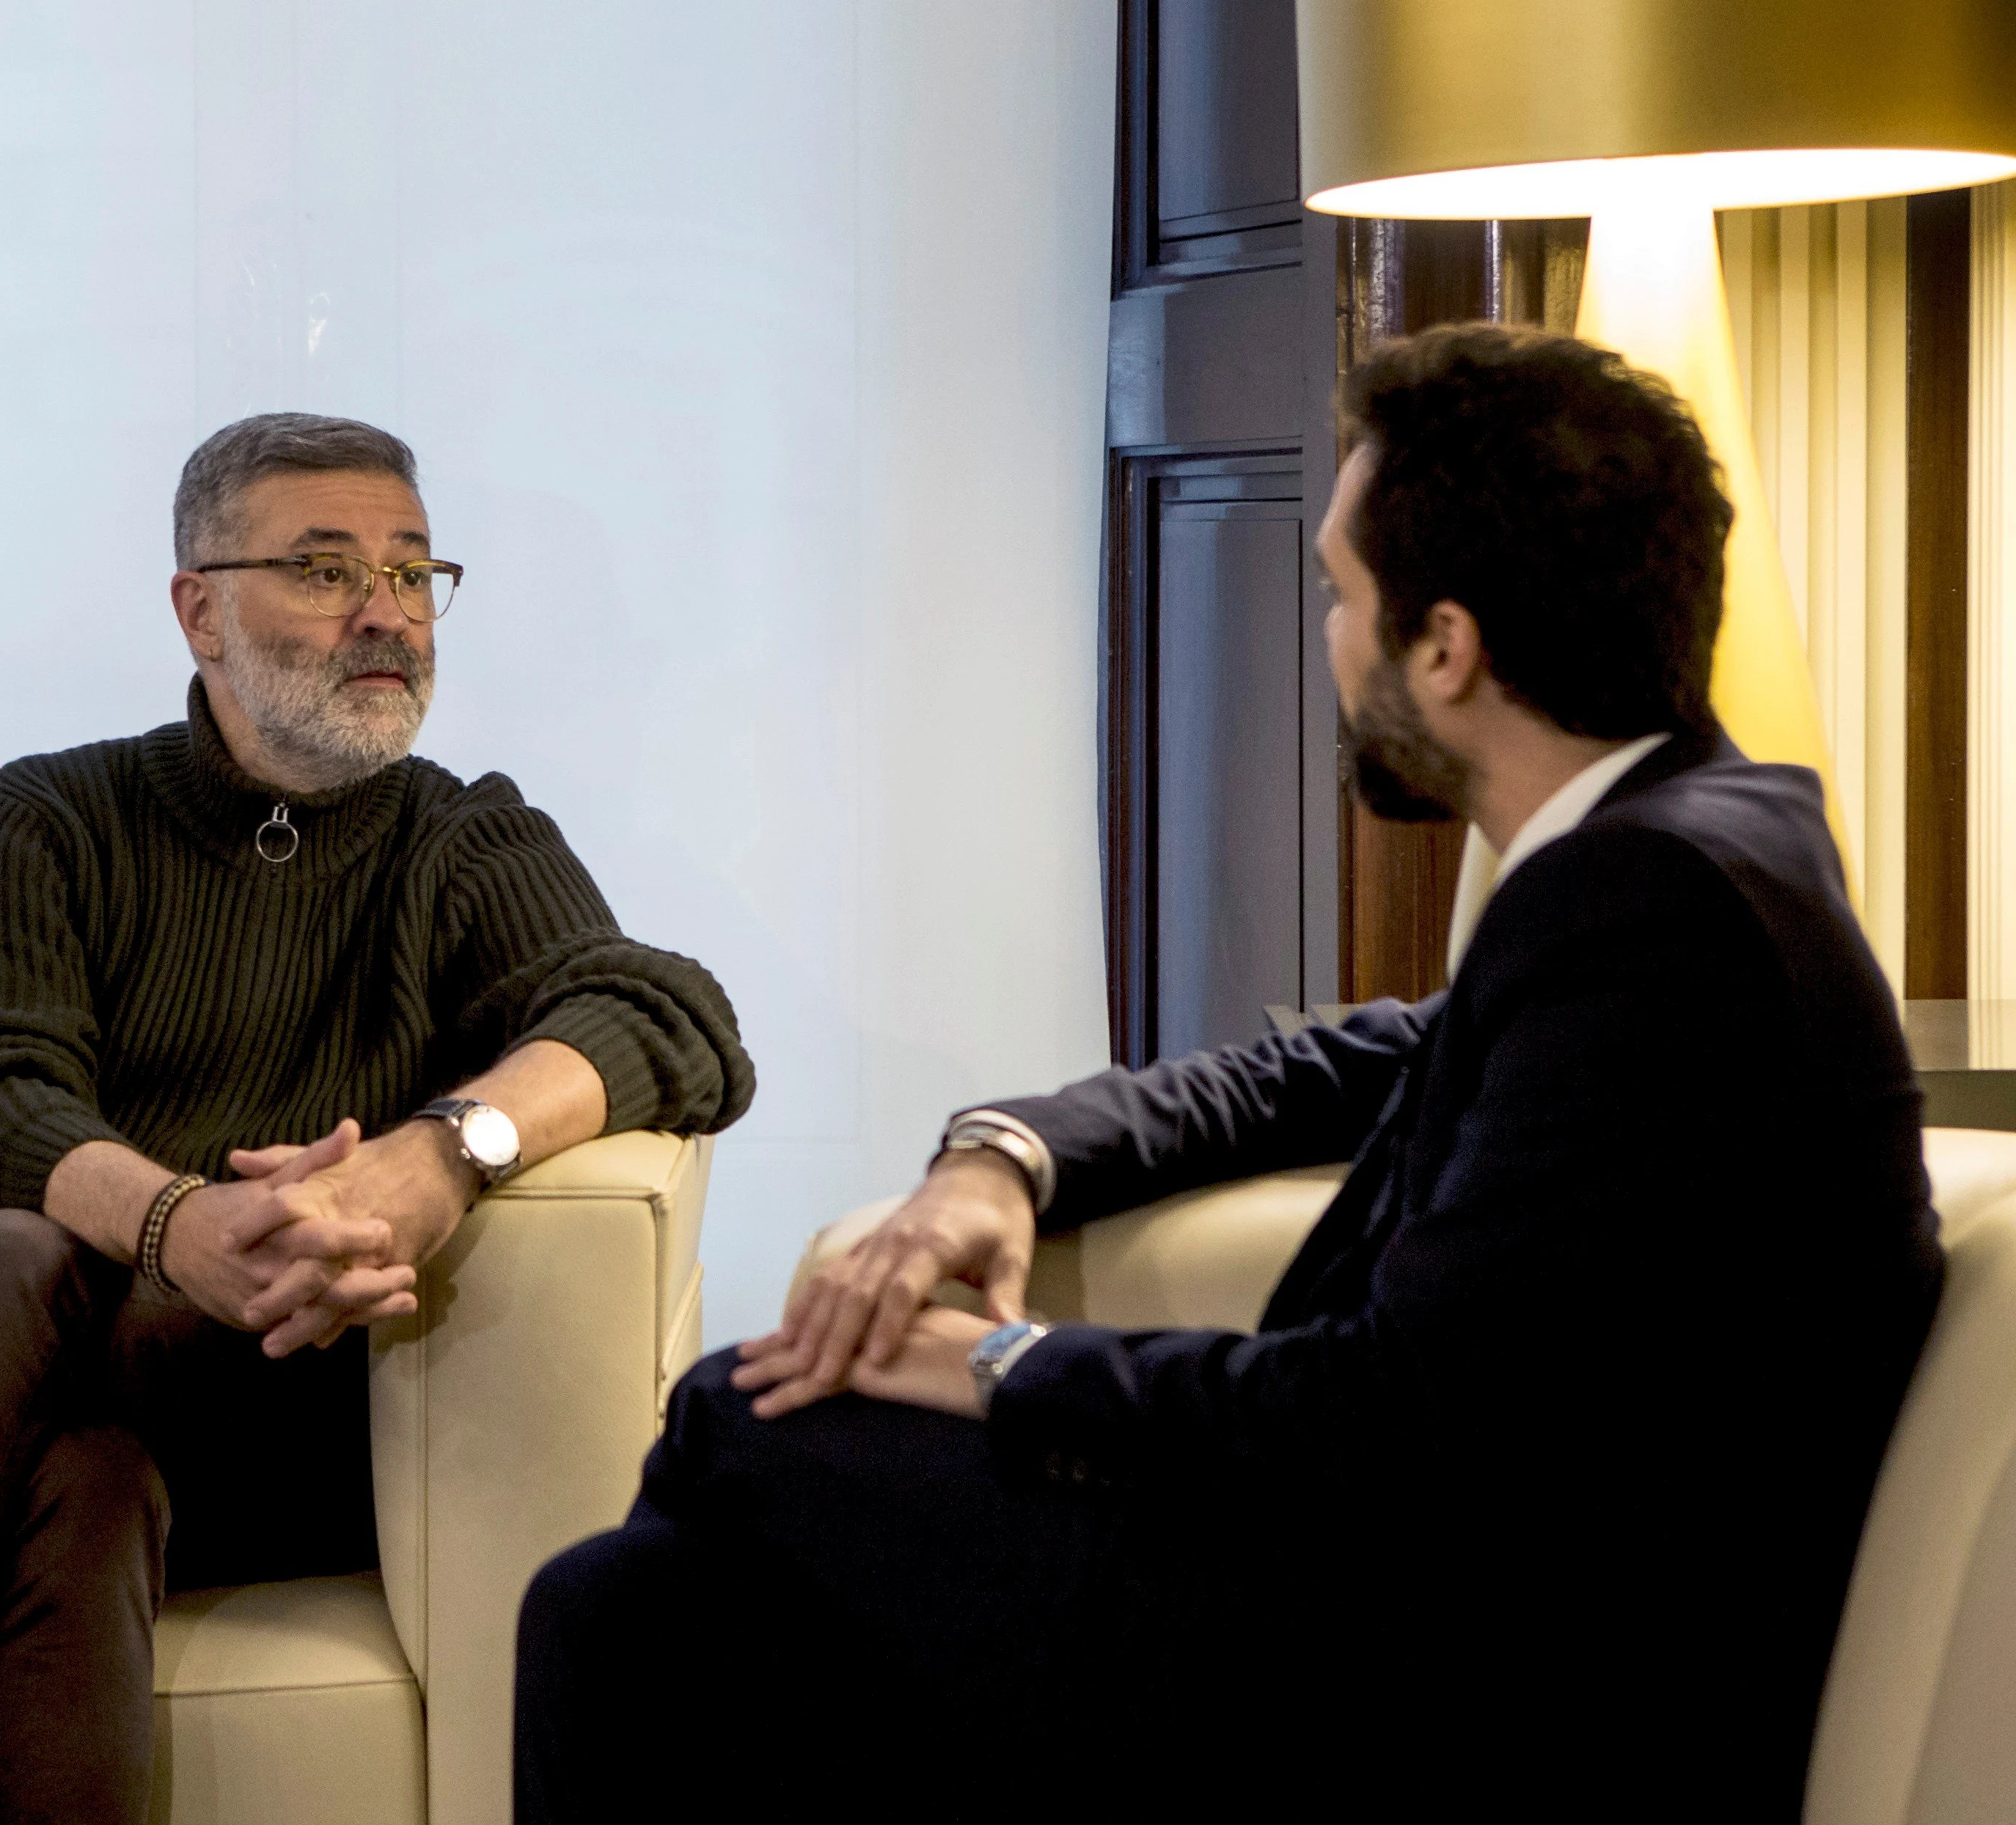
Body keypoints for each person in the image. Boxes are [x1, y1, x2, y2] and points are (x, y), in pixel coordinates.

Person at [514, 326, 1944, 1823]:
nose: (1329, 635)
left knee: (732, 1424)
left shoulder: (1648, 911)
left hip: (1453, 1690)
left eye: (1341, 591)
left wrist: (989, 1361)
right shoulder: (1691, 842)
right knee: (612, 1609)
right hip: (1388, 1603)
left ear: (1444, 646)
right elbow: (1342, 1065)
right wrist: (999, 1156)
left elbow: (1385, 1420)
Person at [0, 413, 754, 1825]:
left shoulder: (463, 839)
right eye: (323, 570)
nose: (385, 614)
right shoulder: (44, 817)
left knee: (42, 1315)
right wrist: (180, 1227)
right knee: (70, 1434)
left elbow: (669, 1015)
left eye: (411, 573)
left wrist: (442, 1152)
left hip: (264, 1424)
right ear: (199, 609)